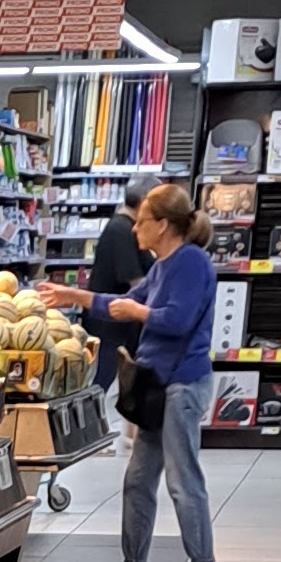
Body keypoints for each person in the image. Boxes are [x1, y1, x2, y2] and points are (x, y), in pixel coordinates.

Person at [89, 179, 218, 562]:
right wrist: (72, 296)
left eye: (142, 220)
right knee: (138, 479)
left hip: (182, 384)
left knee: (183, 480)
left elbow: (177, 320)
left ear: (162, 225)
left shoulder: (191, 262)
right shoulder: (162, 266)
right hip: (157, 387)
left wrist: (137, 311)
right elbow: (118, 304)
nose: (134, 228)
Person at [86, 176, 155, 415]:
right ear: (144, 201)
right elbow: (135, 280)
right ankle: (92, 426)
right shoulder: (121, 230)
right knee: (101, 384)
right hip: (110, 324)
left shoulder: (124, 228)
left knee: (115, 384)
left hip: (119, 320)